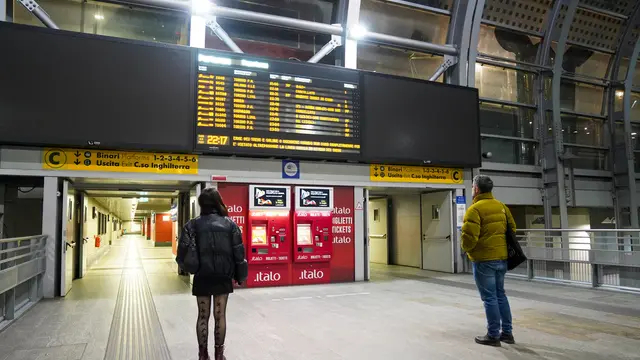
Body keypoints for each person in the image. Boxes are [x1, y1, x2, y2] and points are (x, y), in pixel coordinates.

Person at [177, 187, 246, 360]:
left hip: (202, 276)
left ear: (201, 204)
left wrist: (188, 266)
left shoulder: (192, 224)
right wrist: (240, 276)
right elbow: (239, 254)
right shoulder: (230, 224)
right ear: (218, 202)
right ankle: (219, 354)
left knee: (202, 315)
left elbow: (181, 255)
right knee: (220, 315)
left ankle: (202, 355)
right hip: (223, 276)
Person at [461, 175, 515, 347]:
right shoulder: (502, 207)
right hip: (502, 258)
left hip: (484, 260)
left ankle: (493, 335)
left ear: (476, 189)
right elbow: (512, 229)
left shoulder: (474, 209)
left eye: (472, 188)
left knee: (489, 298)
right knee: (501, 295)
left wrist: (467, 249)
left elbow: (469, 238)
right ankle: (507, 333)